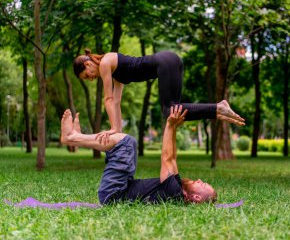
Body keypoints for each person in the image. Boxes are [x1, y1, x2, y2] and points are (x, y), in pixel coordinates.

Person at [73, 50, 245, 142]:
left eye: (87, 75)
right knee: (173, 113)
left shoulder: (104, 63)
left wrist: (112, 129)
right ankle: (217, 111)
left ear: (88, 63)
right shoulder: (114, 71)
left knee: (169, 111)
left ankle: (218, 107)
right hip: (170, 60)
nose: (90, 79)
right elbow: (116, 102)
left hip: (164, 62)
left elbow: (108, 99)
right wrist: (117, 130)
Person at [60, 106, 217, 205]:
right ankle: (77, 138)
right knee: (129, 142)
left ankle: (72, 138)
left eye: (203, 185)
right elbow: (173, 157)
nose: (200, 180)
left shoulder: (173, 193)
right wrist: (174, 127)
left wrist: (169, 125)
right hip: (121, 187)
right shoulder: (177, 188)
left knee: (126, 142)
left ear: (196, 198)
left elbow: (166, 158)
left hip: (114, 194)